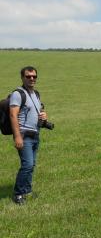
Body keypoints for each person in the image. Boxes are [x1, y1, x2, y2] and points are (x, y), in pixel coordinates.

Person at [9, 66, 48, 205]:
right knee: (27, 165)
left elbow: (36, 112)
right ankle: (18, 194)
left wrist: (43, 116)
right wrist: (17, 136)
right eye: (28, 76)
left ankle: (27, 191)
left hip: (35, 134)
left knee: (31, 165)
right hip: (24, 135)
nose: (32, 79)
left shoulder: (35, 94)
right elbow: (13, 115)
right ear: (22, 77)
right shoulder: (18, 94)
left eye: (34, 76)